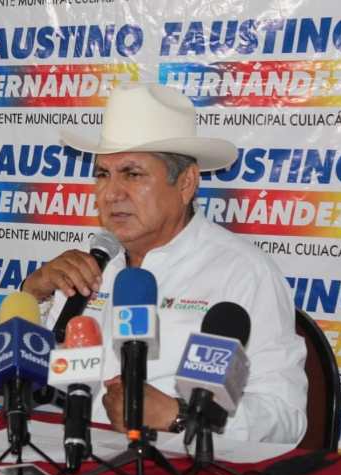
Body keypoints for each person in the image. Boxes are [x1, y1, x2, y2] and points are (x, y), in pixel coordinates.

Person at [23, 83, 308, 448]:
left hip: (183, 468)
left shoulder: (243, 273)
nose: (111, 194)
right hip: (73, 460)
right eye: (103, 174)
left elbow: (285, 417)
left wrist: (178, 416)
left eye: (132, 174)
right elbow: (10, 385)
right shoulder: (85, 269)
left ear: (186, 183)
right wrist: (32, 294)